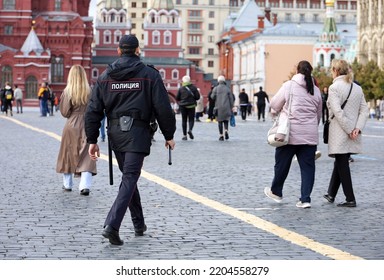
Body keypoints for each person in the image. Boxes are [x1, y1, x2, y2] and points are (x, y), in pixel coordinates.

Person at [84, 34, 176, 245]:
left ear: (118, 50)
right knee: (130, 177)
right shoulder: (149, 75)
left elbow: (93, 110)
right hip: (139, 132)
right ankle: (112, 225)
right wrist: (169, 135)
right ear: (137, 50)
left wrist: (92, 139)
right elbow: (163, 107)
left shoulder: (106, 76)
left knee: (129, 176)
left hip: (116, 134)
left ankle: (138, 224)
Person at [264, 60, 322, 209]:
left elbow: (274, 104)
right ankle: (305, 199)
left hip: (289, 134)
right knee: (308, 168)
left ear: (297, 70)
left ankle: (276, 191)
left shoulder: (289, 86)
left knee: (282, 164)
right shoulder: (316, 90)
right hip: (309, 135)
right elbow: (318, 115)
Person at [323, 59, 368, 207]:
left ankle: (350, 198)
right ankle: (331, 193)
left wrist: (349, 130)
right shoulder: (357, 88)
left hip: (340, 131)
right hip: (353, 132)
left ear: (335, 70)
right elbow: (364, 111)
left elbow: (337, 111)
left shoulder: (334, 87)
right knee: (341, 159)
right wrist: (357, 129)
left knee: (342, 163)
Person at [56, 65, 96, 196]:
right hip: (87, 124)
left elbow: (65, 112)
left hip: (71, 124)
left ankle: (67, 184)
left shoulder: (68, 91)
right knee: (86, 154)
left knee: (67, 153)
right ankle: (85, 185)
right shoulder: (89, 90)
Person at [211, 75, 235, 141]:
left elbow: (212, 97)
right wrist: (231, 107)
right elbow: (231, 99)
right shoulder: (228, 89)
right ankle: (226, 130)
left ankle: (221, 135)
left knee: (220, 122)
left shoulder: (215, 88)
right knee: (226, 120)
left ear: (218, 81)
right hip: (227, 107)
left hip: (218, 108)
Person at [176, 75, 200, 140]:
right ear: (189, 80)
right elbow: (198, 97)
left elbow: (177, 98)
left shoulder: (181, 88)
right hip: (191, 106)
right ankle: (190, 130)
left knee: (184, 120)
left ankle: (184, 135)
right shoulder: (194, 88)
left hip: (183, 106)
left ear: (183, 81)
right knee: (191, 119)